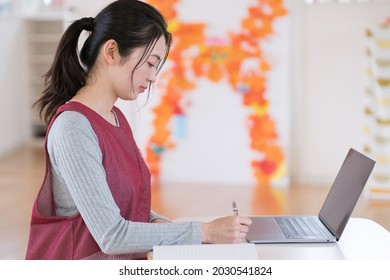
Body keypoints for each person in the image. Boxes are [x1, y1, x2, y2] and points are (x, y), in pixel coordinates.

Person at [25, 0, 252, 260]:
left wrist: (161, 223)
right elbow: (112, 236)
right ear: (111, 52)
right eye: (151, 63)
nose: (154, 76)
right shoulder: (73, 127)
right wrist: (205, 232)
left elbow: (126, 207)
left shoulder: (116, 118)